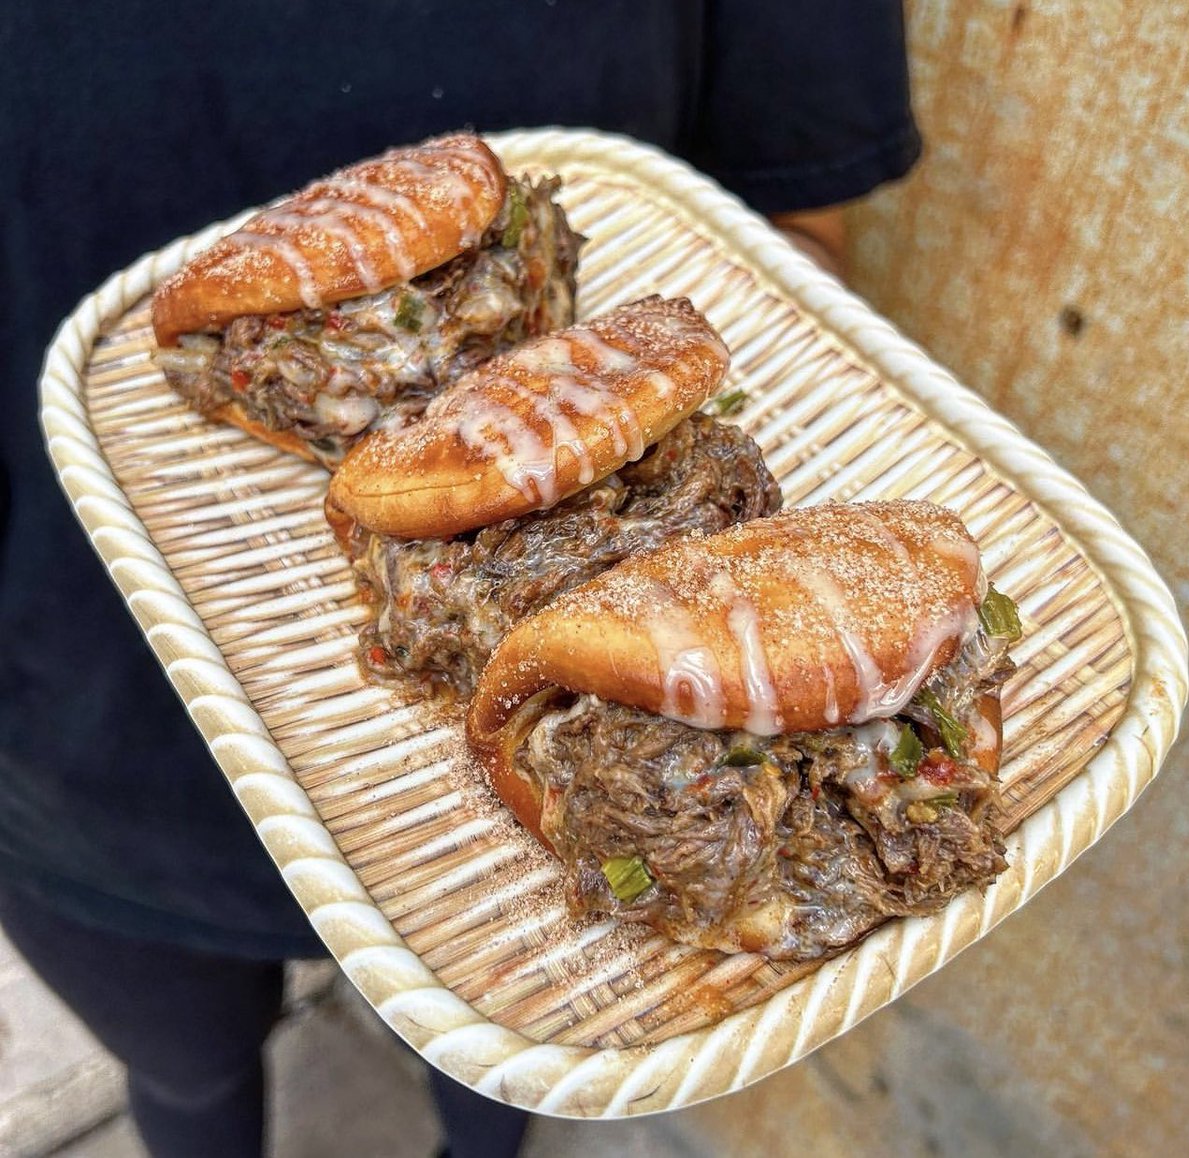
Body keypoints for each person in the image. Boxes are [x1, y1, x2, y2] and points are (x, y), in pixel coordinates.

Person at [0, 3, 920, 1155]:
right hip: (85, 761)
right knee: (185, 1078)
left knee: (498, 1094)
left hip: (555, 837)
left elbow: (799, 205)